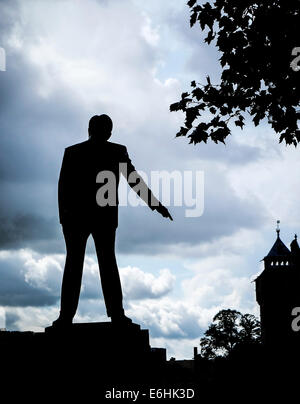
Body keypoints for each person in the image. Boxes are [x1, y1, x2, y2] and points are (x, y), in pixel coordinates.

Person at [52, 114, 172, 328]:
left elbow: (64, 187)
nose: (108, 133)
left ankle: (70, 316)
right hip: (92, 217)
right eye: (107, 129)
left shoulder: (77, 152)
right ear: (107, 131)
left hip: (82, 218)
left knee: (80, 265)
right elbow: (134, 181)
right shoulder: (113, 151)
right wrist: (155, 204)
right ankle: (110, 314)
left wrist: (155, 204)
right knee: (101, 264)